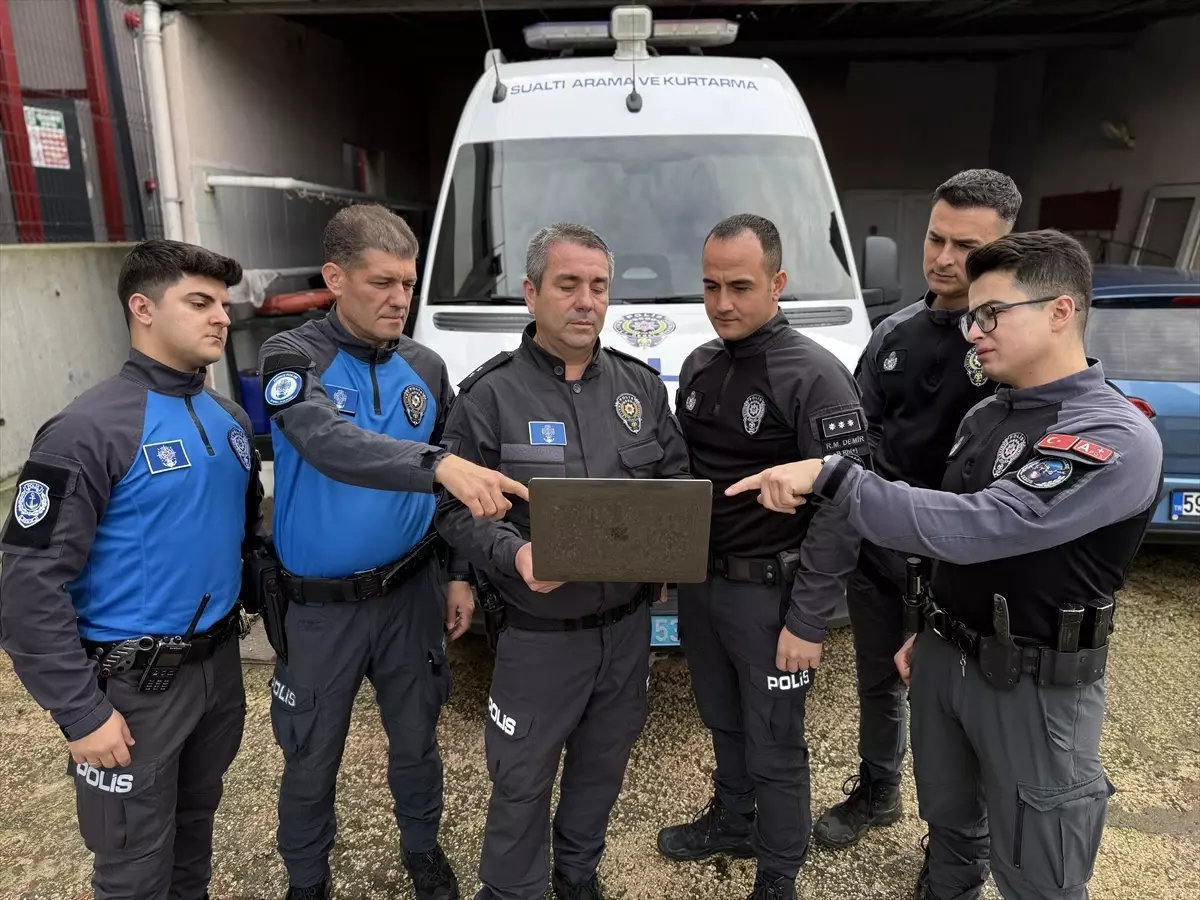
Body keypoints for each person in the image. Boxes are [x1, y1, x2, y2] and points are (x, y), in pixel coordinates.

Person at [726, 229, 1163, 900]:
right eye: (971, 317)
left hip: (1036, 687)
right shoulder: (987, 416)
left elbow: (988, 525)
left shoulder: (1112, 432)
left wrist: (832, 476)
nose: (974, 332)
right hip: (947, 658)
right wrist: (930, 626)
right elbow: (942, 536)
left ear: (1060, 312)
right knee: (951, 829)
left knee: (1039, 873)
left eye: (992, 314)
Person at [258, 204, 526, 900]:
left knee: (417, 741)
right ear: (334, 278)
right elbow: (326, 441)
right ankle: (307, 881)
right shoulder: (292, 356)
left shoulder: (426, 367)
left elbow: (457, 493)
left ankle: (422, 849)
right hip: (320, 610)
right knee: (310, 755)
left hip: (411, 594)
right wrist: (438, 464)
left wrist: (460, 575)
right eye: (381, 282)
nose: (399, 298)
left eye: (407, 283)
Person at [434, 223, 691, 900]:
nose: (586, 301)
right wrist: (516, 553)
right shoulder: (489, 396)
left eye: (599, 286)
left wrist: (671, 546)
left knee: (602, 769)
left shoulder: (641, 389)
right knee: (521, 779)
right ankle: (512, 890)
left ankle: (577, 876)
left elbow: (675, 482)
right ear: (531, 293)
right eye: (569, 284)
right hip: (538, 637)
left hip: (626, 631)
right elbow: (452, 511)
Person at [0, 240, 259, 900]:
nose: (221, 318)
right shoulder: (86, 429)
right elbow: (28, 585)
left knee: (193, 841)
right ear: (142, 308)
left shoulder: (229, 419)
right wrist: (80, 712)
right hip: (132, 690)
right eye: (199, 302)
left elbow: (239, 538)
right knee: (133, 867)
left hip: (217, 673)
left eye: (223, 305)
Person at [655, 214, 867, 900]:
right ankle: (734, 821)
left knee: (774, 740)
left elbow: (845, 508)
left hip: (772, 598)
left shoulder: (815, 376)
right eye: (710, 286)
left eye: (740, 286)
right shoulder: (699, 365)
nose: (722, 303)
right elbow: (687, 478)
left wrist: (808, 620)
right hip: (703, 586)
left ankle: (779, 872)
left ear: (777, 283)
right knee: (722, 718)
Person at [813, 169, 1021, 851]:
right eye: (936, 238)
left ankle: (953, 843)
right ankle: (878, 790)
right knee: (879, 681)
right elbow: (858, 437)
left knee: (956, 700)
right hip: (881, 552)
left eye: (967, 247)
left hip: (964, 560)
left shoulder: (1009, 345)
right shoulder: (892, 333)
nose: (944, 258)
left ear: (1002, 248)